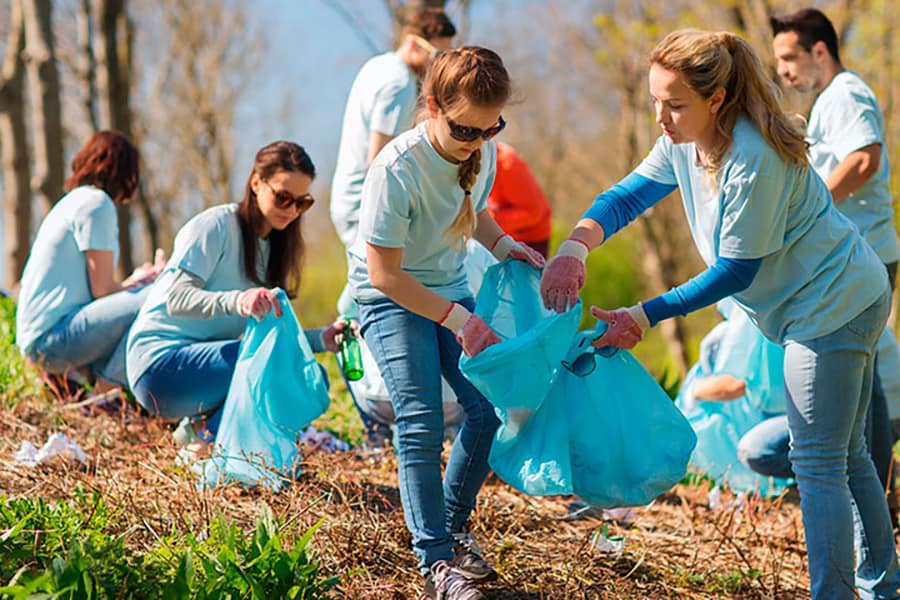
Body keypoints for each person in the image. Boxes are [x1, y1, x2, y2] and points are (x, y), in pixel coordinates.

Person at [540, 29, 899, 600]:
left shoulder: (752, 156)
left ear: (717, 99)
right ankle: (883, 586)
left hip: (832, 305)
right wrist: (576, 246)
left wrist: (645, 313)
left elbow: (736, 271)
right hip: (834, 295)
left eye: (675, 104)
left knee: (818, 462)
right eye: (656, 100)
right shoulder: (685, 138)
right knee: (847, 455)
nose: (662, 117)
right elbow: (629, 195)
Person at [348, 46, 544, 599]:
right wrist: (460, 319)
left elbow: (471, 209)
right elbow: (384, 275)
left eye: (490, 129)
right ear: (431, 106)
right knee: (421, 418)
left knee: (485, 411)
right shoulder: (395, 169)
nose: (476, 142)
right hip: (391, 297)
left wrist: (506, 246)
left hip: (448, 289)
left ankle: (453, 528)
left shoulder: (478, 150)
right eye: (464, 129)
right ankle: (434, 561)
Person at [126, 141, 346, 450]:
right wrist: (238, 300)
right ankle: (206, 445)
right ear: (256, 183)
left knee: (313, 378)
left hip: (208, 368)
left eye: (302, 203)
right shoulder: (216, 226)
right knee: (282, 371)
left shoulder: (274, 249)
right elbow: (176, 298)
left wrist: (319, 340)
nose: (292, 210)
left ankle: (197, 436)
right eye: (283, 197)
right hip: (159, 367)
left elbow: (267, 338)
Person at [771, 4, 900, 511]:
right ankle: (878, 495)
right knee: (862, 380)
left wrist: (810, 208)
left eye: (788, 56)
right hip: (857, 262)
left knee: (858, 381)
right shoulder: (829, 101)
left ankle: (872, 495)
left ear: (818, 51)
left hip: (865, 260)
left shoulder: (847, 93)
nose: (783, 69)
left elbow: (864, 158)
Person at [16, 130, 165, 390]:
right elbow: (103, 290)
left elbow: (92, 292)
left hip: (38, 339)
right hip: (51, 340)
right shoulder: (98, 204)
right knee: (159, 295)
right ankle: (106, 393)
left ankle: (76, 379)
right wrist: (148, 285)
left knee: (148, 294)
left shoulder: (72, 202)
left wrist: (135, 282)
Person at [330, 7, 456, 249]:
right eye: (437, 55)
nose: (437, 66)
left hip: (346, 199)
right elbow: (379, 161)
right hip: (364, 207)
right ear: (413, 44)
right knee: (379, 282)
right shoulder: (400, 84)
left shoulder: (379, 65)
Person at [675, 299, 793, 497]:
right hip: (781, 415)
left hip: (785, 419)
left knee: (757, 449)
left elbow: (736, 385)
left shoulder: (751, 326)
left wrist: (694, 390)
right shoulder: (734, 332)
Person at [487, 141, 552, 258]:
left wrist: (490, 220)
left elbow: (533, 212)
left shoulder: (508, 163)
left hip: (529, 241)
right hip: (496, 238)